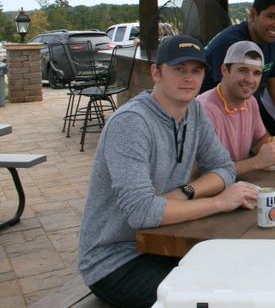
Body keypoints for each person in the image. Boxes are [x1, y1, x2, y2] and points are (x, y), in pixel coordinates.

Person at [78, 35, 259, 308]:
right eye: (178, 69)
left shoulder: (194, 112)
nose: (188, 78)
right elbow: (141, 212)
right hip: (117, 260)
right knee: (223, 298)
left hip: (166, 240)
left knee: (249, 273)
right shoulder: (131, 123)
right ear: (156, 73)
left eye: (196, 70)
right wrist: (219, 202)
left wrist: (186, 191)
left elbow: (223, 168)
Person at [201, 0, 275, 136]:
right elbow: (228, 96)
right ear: (253, 15)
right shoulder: (229, 44)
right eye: (271, 16)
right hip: (210, 119)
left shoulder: (272, 41)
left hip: (243, 111)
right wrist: (257, 142)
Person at [197, 41, 275, 174]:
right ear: (224, 70)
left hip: (243, 184)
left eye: (257, 73)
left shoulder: (251, 101)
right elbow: (207, 171)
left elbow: (258, 140)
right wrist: (257, 162)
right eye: (242, 70)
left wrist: (274, 145)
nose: (250, 80)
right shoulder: (204, 109)